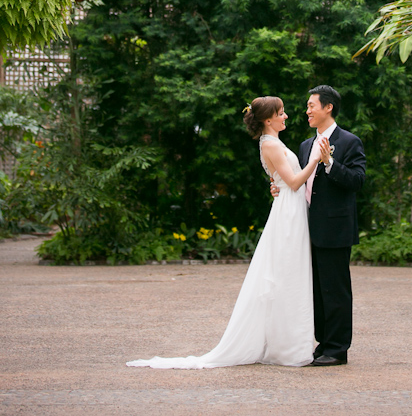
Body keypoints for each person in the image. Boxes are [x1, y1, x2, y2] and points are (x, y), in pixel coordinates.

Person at [126, 96, 326, 370]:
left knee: (290, 274)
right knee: (287, 273)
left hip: (290, 211)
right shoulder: (270, 144)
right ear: (269, 120)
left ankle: (288, 345)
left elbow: (281, 179)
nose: (286, 116)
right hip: (288, 214)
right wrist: (315, 159)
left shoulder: (272, 143)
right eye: (281, 113)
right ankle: (288, 348)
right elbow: (292, 182)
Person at [272, 84, 366, 367]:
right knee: (315, 290)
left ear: (329, 107)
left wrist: (330, 163)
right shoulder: (304, 145)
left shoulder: (350, 142)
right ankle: (323, 343)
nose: (307, 111)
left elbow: (358, 181)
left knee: (335, 290)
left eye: (312, 105)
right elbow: (298, 181)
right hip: (306, 228)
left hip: (335, 229)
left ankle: (337, 349)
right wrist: (278, 188)